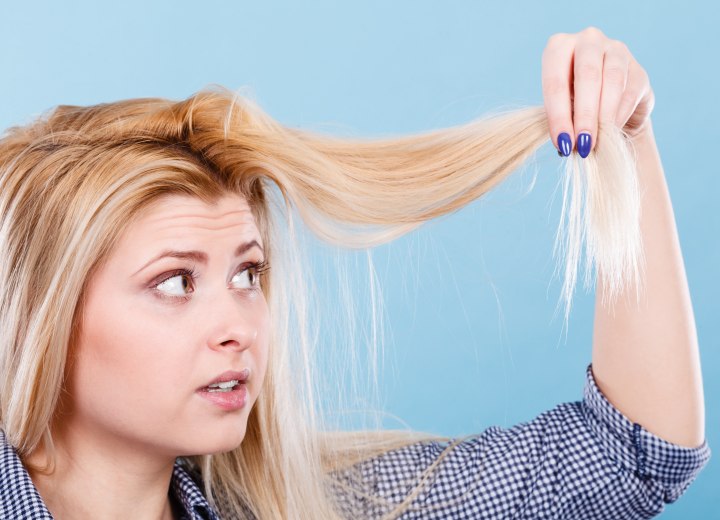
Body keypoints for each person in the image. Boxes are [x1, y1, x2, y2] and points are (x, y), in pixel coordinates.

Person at [0, 26, 710, 519]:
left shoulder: (303, 509)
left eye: (248, 275)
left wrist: (626, 136)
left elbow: (629, 459)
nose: (238, 328)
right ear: (44, 317)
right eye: (177, 282)